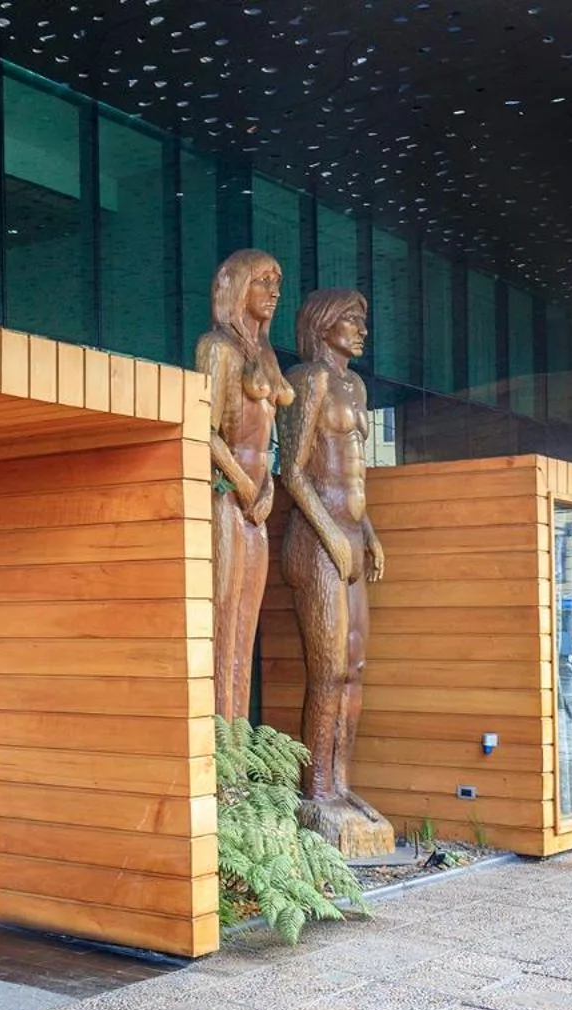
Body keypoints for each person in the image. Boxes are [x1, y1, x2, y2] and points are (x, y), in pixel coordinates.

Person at [279, 287, 393, 855]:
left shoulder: (357, 386)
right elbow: (292, 471)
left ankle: (343, 783)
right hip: (316, 540)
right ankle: (317, 788)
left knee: (355, 667)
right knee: (327, 671)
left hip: (351, 535)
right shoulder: (307, 380)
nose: (361, 329)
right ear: (323, 325)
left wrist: (367, 534)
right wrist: (330, 535)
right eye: (351, 319)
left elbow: (355, 474)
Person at [195, 250, 294, 721]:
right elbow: (205, 431)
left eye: (277, 282)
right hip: (225, 496)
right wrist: (241, 482)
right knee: (223, 619)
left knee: (246, 626)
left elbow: (269, 439)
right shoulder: (217, 348)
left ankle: (237, 743)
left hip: (258, 499)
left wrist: (266, 487)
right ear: (236, 286)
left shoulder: (265, 355)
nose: (274, 292)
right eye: (262, 281)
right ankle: (220, 748)